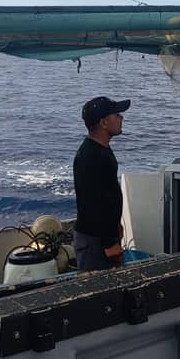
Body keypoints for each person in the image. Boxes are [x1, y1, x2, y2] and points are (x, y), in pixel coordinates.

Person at [73, 96, 131, 272]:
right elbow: (93, 204)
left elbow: (108, 195)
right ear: (104, 123)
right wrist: (109, 243)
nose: (121, 117)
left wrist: (116, 227)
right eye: (116, 114)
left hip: (102, 237)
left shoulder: (100, 150)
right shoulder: (92, 156)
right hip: (95, 241)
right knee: (99, 290)